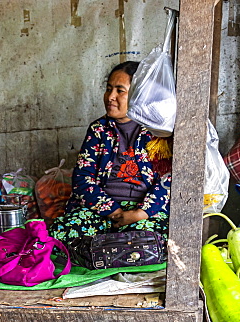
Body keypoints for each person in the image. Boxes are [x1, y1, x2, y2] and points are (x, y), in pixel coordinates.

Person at [51, 61, 171, 247]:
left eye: (119, 90)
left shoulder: (158, 132)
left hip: (142, 213)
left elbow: (167, 180)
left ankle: (109, 248)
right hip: (102, 211)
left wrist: (140, 213)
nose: (110, 97)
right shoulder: (98, 130)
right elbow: (82, 178)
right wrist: (114, 212)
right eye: (109, 89)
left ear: (139, 93)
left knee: (156, 237)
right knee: (60, 233)